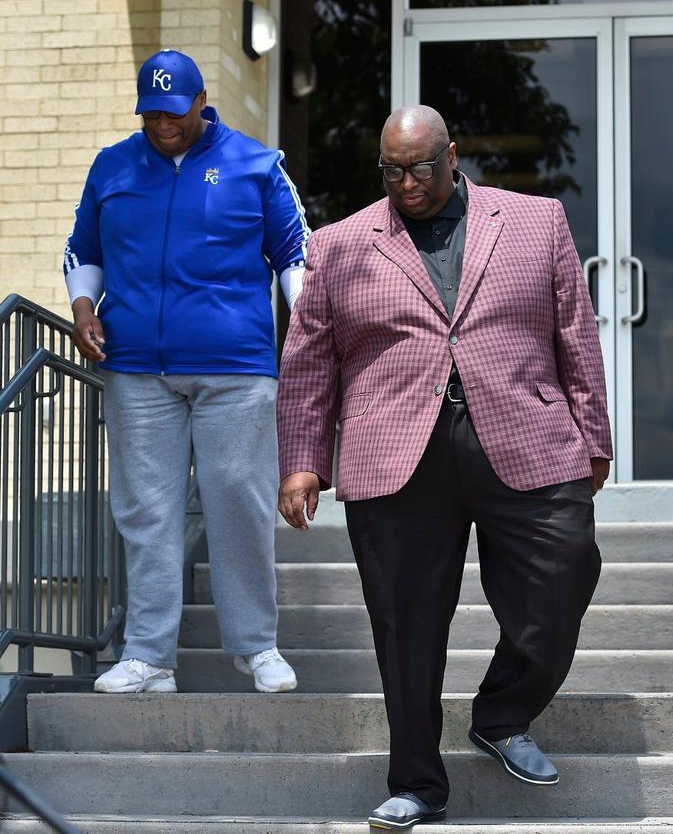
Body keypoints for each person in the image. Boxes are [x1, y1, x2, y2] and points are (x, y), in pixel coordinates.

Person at [276, 105, 611, 830]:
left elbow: (575, 332)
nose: (406, 184)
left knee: (566, 572)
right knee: (405, 624)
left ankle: (501, 713)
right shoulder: (335, 245)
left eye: (420, 168)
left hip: (524, 433)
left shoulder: (535, 220)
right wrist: (303, 460)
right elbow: (307, 364)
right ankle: (418, 784)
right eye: (390, 171)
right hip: (394, 451)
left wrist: (594, 436)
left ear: (452, 155)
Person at [64, 49, 308, 695]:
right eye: (151, 114)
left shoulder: (257, 165)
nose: (163, 125)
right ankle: (149, 657)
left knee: (239, 500)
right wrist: (83, 306)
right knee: (146, 511)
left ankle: (257, 647)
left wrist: (308, 332)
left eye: (175, 113)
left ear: (202, 102)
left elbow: (294, 253)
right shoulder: (112, 167)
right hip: (137, 367)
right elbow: (82, 250)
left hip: (235, 367)